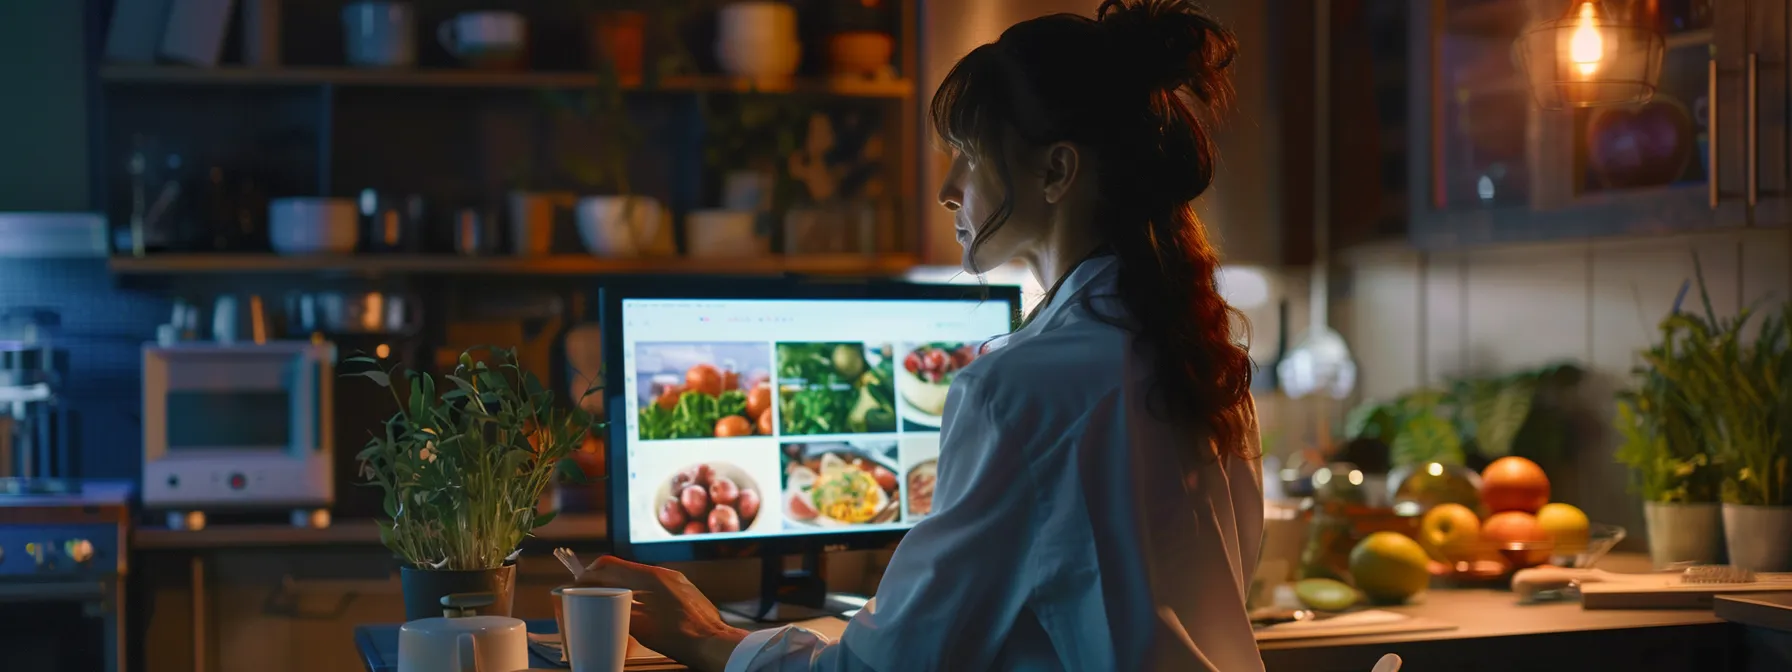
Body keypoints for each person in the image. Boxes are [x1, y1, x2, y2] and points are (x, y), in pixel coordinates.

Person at [581, 1, 1264, 669]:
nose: (947, 187)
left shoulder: (1015, 389)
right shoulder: (1207, 363)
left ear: (1057, 171)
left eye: (968, 154)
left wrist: (706, 635)